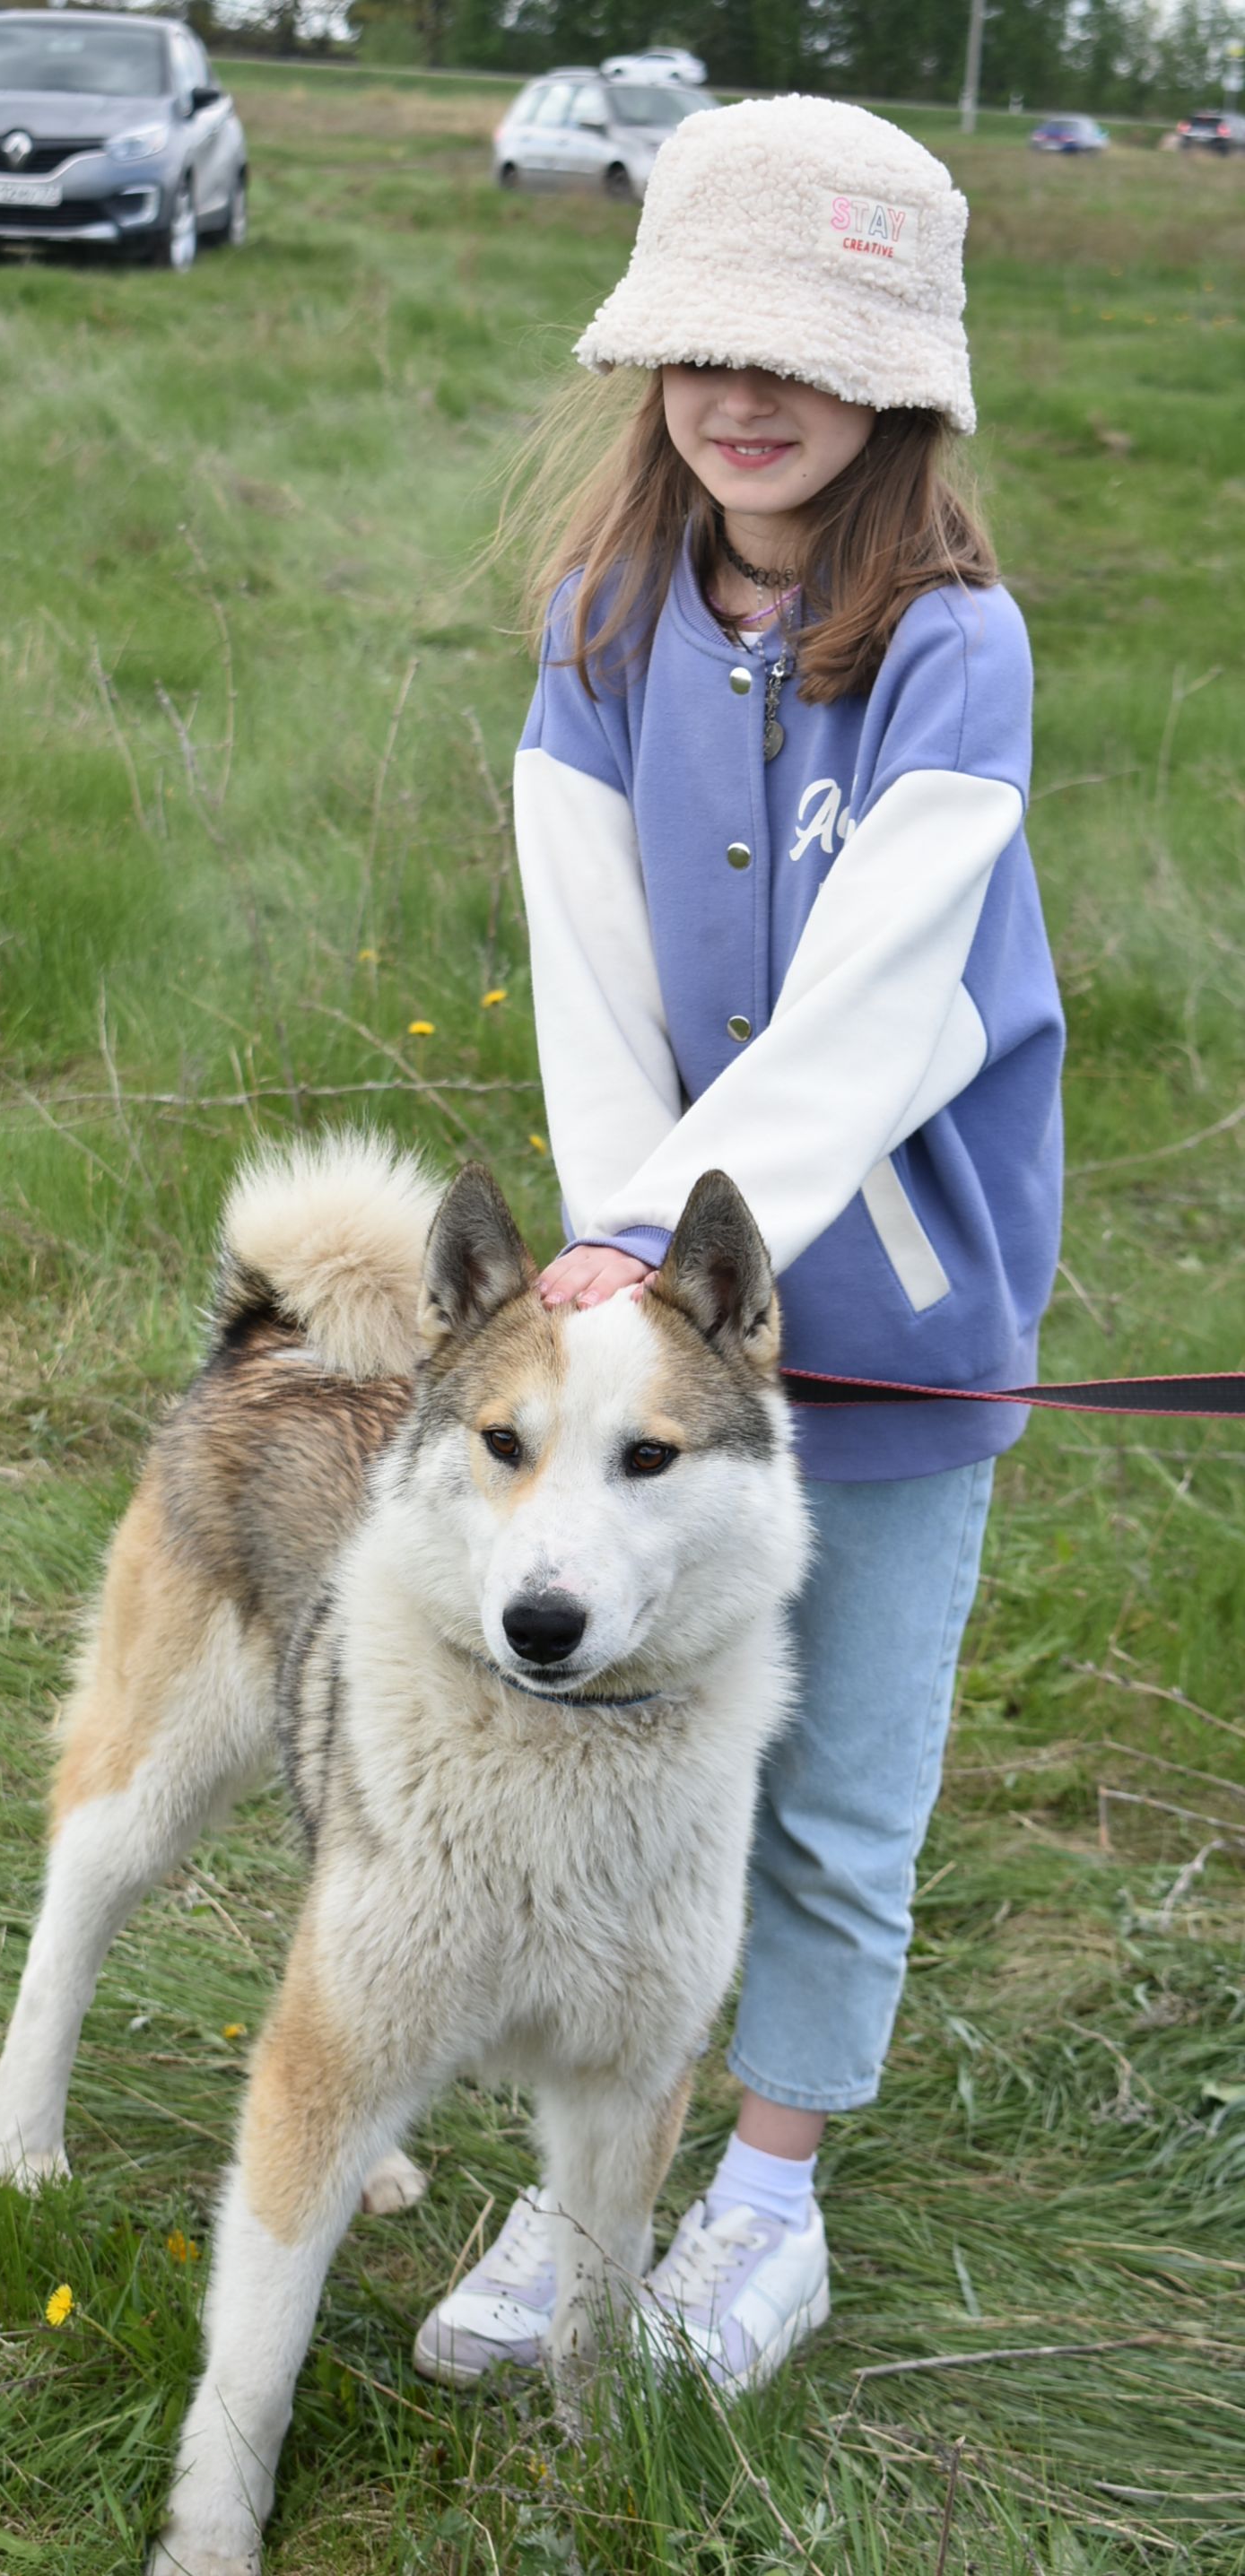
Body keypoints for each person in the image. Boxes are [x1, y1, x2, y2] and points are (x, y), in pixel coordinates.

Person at [414, 95, 1065, 2397]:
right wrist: (617, 1251)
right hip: (644, 1348)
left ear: (903, 377)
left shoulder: (950, 648)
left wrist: (690, 1239)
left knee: (838, 1774)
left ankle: (766, 2190)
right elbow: (586, 960)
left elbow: (891, 986)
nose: (744, 390)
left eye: (806, 349)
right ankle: (586, 2170)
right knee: (617, 1767)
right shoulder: (600, 628)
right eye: (703, 339)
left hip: (889, 1339)